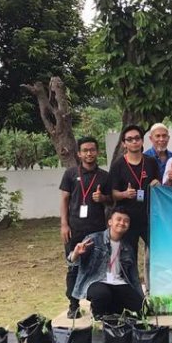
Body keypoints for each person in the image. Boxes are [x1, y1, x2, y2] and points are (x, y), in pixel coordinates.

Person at [60, 136, 112, 318]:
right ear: (79, 154)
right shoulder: (70, 174)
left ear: (98, 152)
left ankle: (96, 304)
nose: (89, 153)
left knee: (97, 267)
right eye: (85, 150)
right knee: (73, 266)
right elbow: (64, 199)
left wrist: (102, 198)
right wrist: (64, 224)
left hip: (97, 231)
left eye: (92, 150)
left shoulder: (104, 176)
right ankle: (73, 305)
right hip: (74, 229)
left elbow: (111, 201)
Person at [68, 209, 143, 319]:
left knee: (138, 306)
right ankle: (97, 314)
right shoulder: (93, 239)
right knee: (102, 294)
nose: (122, 223)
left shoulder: (127, 247)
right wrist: (76, 253)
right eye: (118, 219)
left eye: (126, 221)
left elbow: (134, 276)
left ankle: (113, 310)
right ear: (110, 222)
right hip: (96, 281)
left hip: (118, 282)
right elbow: (73, 263)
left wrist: (142, 300)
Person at [109, 124, 160, 266]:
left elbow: (158, 183)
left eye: (137, 138)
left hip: (149, 217)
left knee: (158, 251)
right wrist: (124, 194)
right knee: (129, 257)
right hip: (127, 219)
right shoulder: (118, 165)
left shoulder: (151, 162)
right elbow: (113, 194)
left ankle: (154, 280)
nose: (134, 142)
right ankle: (131, 280)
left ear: (142, 141)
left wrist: (157, 183)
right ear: (124, 143)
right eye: (129, 139)